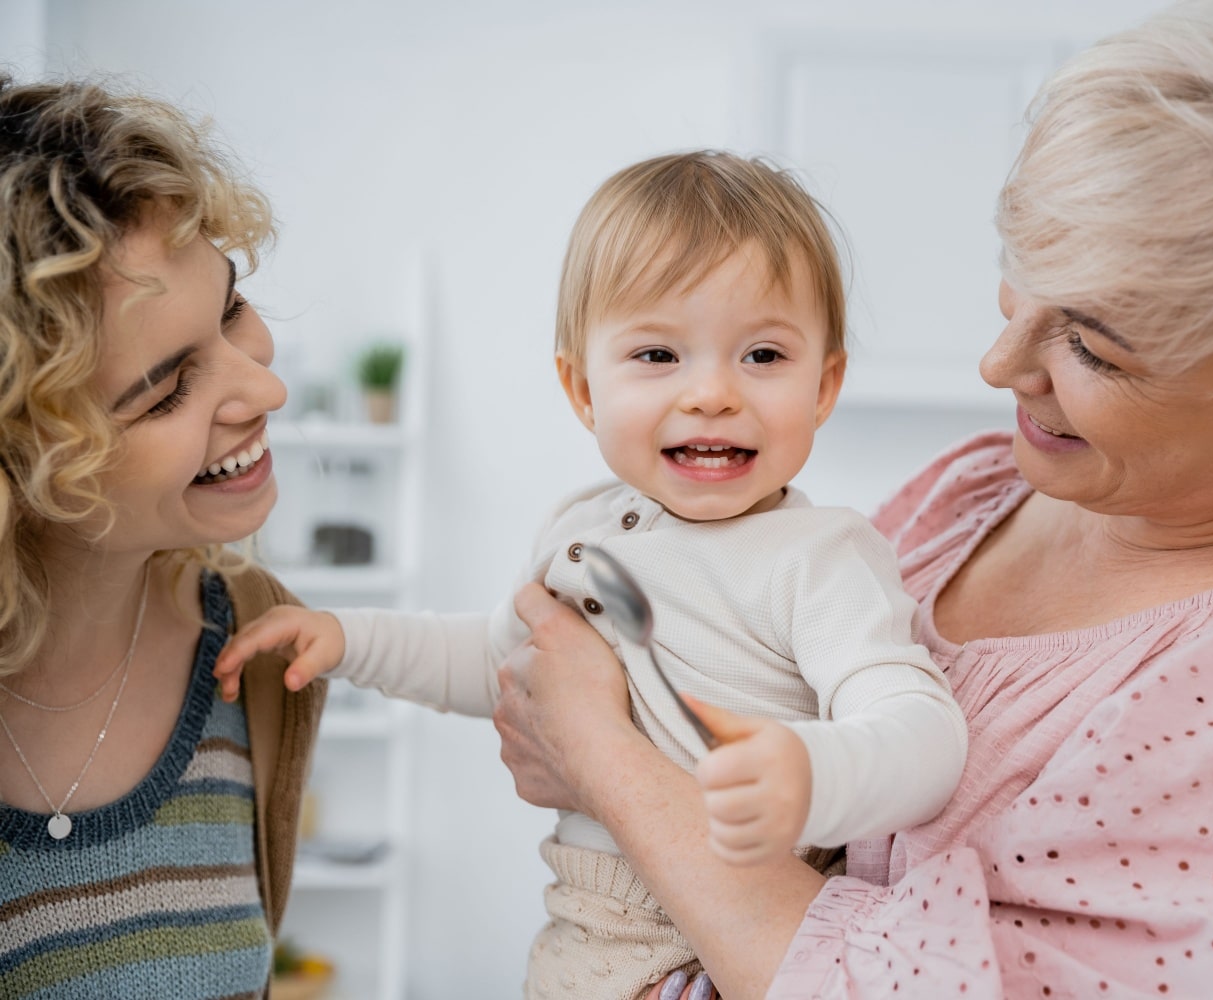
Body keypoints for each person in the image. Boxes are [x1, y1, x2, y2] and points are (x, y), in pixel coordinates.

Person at [489, 0, 1213, 997]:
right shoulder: (979, 487)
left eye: (1093, 346)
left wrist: (603, 754)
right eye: (1022, 280)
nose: (998, 363)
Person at [213, 150, 968, 1000]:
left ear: (825, 384)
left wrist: (814, 775)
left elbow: (926, 737)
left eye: (762, 356)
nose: (713, 393)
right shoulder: (583, 530)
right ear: (581, 388)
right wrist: (350, 638)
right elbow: (493, 663)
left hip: (723, 942)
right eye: (657, 355)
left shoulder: (820, 557)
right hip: (582, 935)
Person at [0, 75, 324, 999]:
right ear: (20, 460)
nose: (268, 393)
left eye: (229, 310)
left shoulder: (259, 647)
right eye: (167, 387)